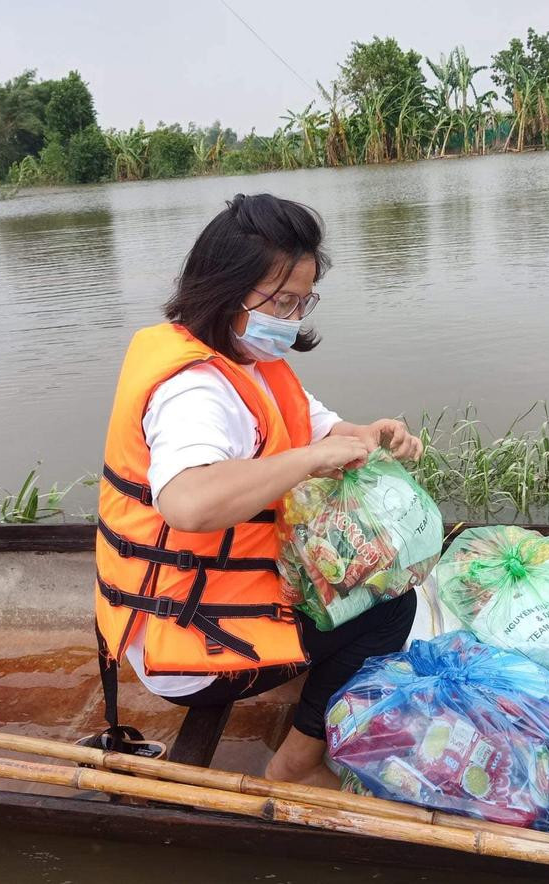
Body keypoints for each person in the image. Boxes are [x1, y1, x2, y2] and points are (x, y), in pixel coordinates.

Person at [94, 193, 422, 788]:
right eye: (282, 301)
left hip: (212, 599)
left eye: (303, 301)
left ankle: (305, 672)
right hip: (187, 640)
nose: (293, 318)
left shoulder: (249, 359)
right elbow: (188, 502)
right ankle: (296, 764)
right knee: (390, 603)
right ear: (225, 287)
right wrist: (309, 460)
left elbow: (320, 427)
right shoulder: (194, 390)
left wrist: (371, 434)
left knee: (361, 574)